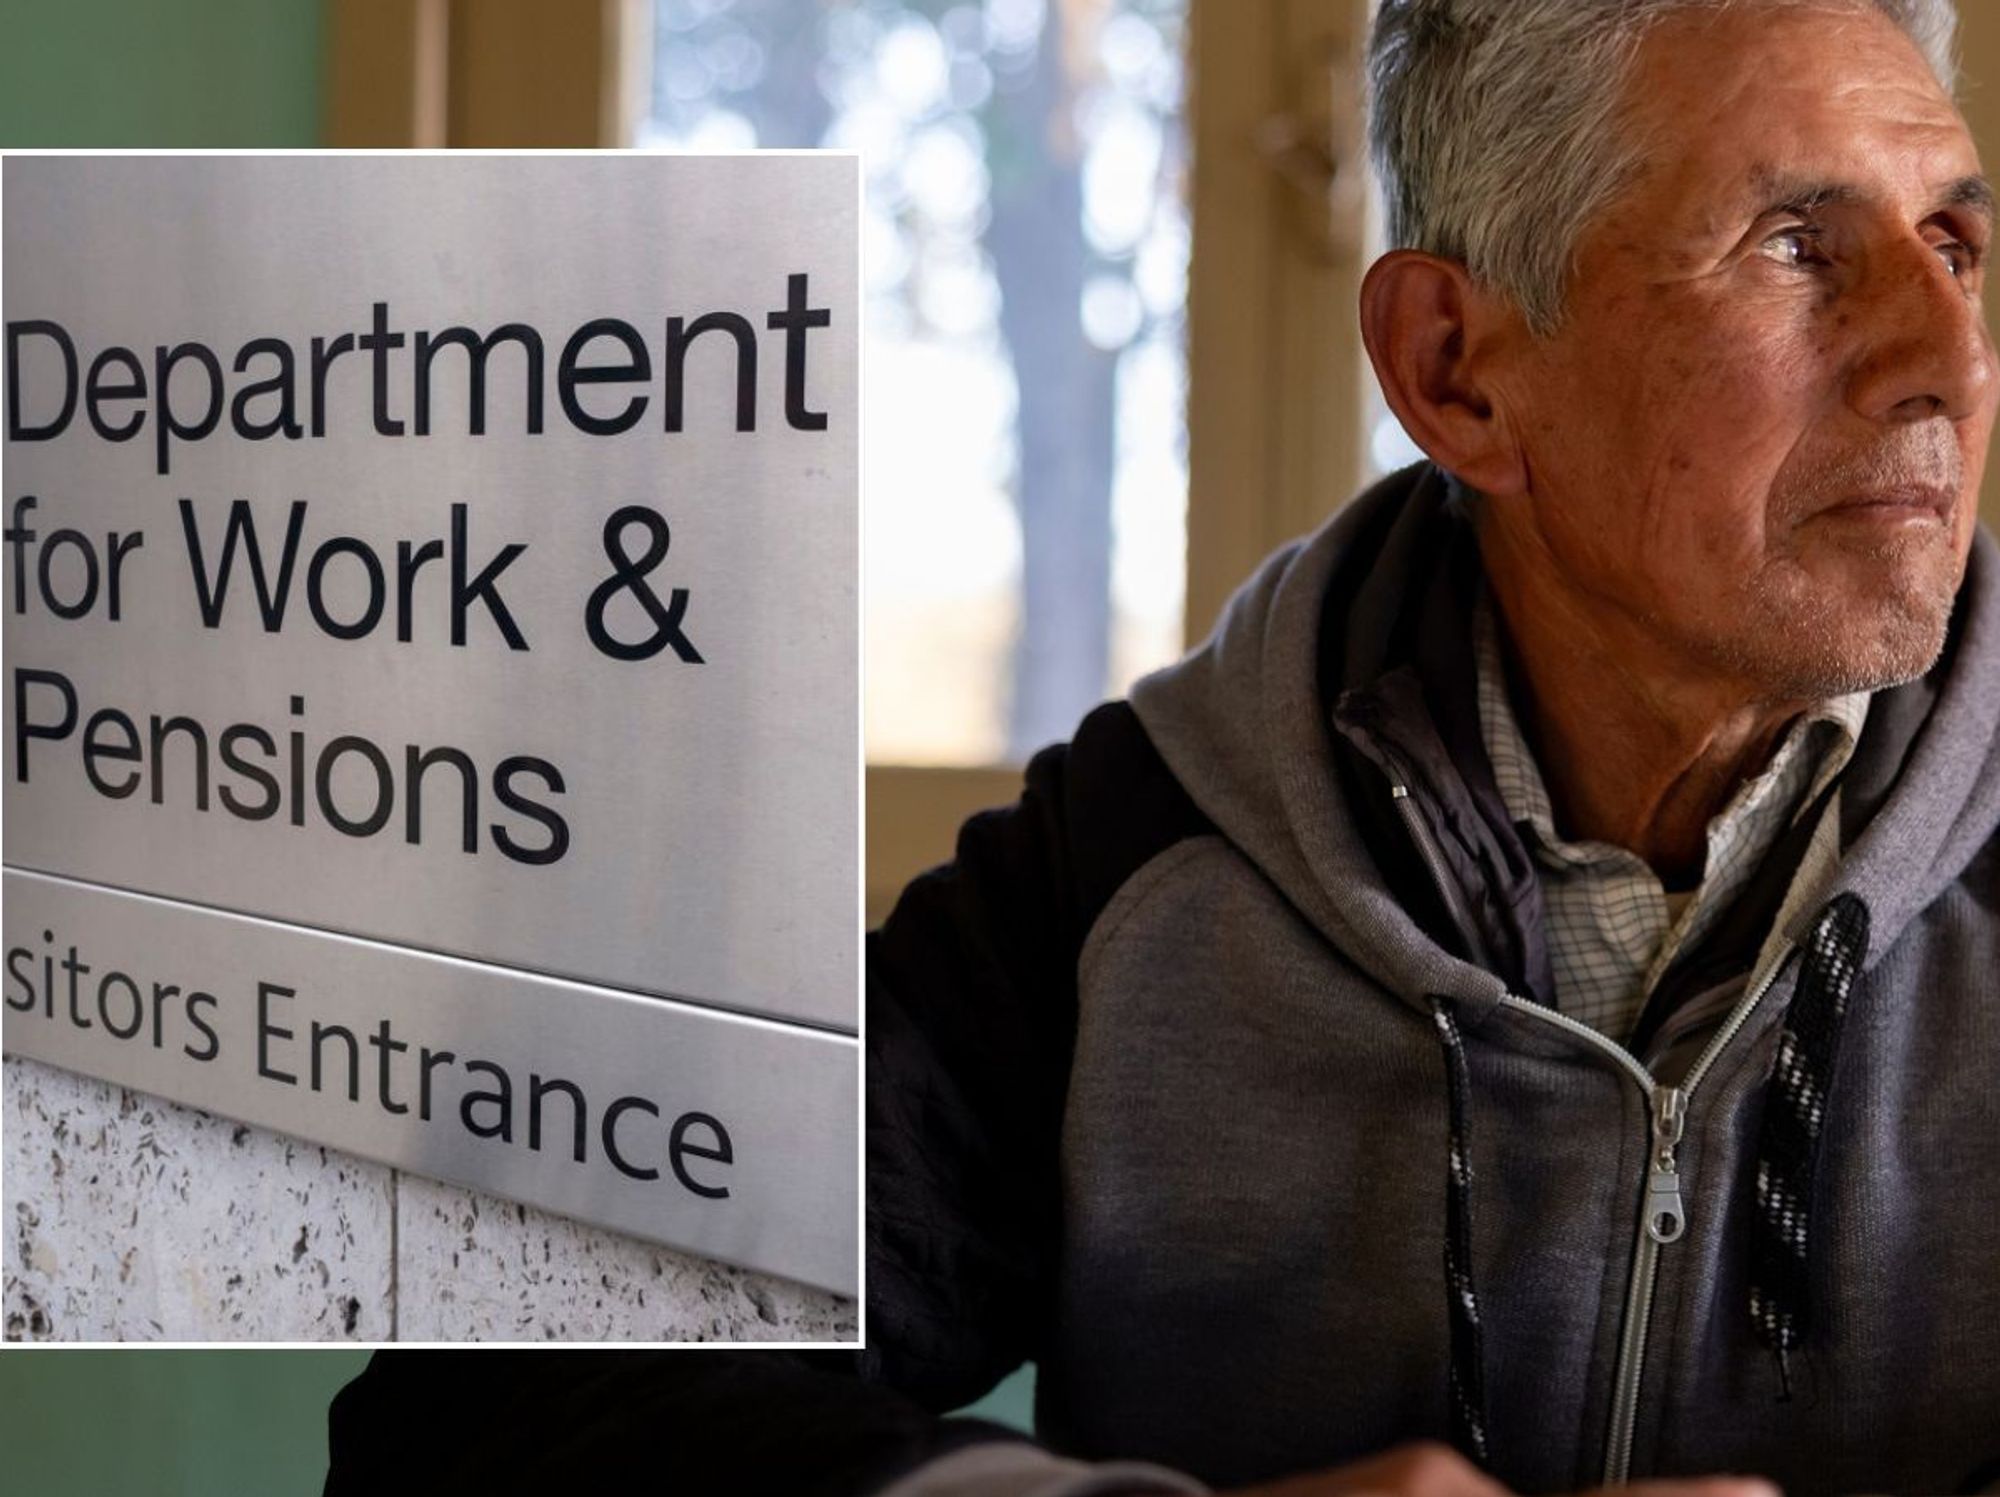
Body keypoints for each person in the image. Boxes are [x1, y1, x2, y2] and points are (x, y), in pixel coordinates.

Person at [324, 2, 2000, 1494]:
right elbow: (486, 1395)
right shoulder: (1135, 866)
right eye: (1796, 245)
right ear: (1455, 371)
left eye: (1956, 243)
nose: (1951, 358)